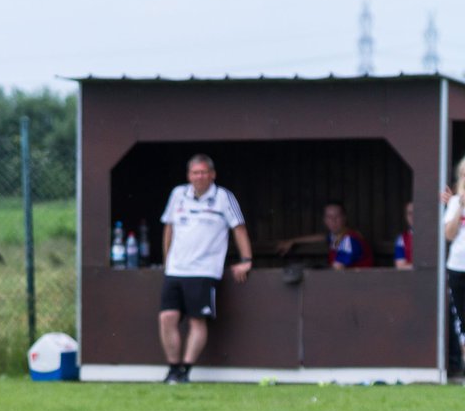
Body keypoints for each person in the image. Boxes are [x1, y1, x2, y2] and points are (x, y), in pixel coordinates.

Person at [157, 154, 253, 384]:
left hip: (204, 270)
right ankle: (173, 368)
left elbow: (238, 228)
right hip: (175, 269)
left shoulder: (223, 197)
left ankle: (186, 370)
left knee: (196, 320)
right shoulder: (178, 194)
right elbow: (168, 228)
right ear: (188, 175)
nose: (199, 177)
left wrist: (247, 259)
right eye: (194, 173)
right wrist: (167, 259)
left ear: (212, 175)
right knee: (167, 318)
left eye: (203, 172)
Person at [276, 201, 373, 269]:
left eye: (337, 216)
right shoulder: (337, 235)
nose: (333, 220)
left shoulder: (349, 239)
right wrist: (293, 241)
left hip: (360, 288)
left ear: (344, 218)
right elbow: (322, 237)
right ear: (324, 220)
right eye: (329, 217)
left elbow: (337, 268)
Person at [444, 158, 465, 376]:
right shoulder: (454, 203)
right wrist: (459, 206)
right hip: (458, 267)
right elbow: (448, 235)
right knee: (462, 319)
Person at [394, 200, 414, 270]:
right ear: (406, 216)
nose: (413, 216)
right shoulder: (402, 238)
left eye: (415, 212)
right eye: (410, 213)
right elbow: (400, 266)